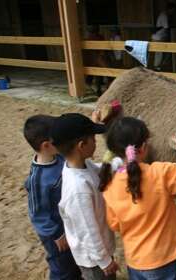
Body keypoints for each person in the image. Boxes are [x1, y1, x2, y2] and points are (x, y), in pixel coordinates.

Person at [99, 117, 176, 280]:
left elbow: (114, 224)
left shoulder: (109, 183)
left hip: (134, 260)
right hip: (162, 260)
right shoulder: (159, 173)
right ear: (142, 148)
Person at [51, 113, 118, 280]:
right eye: (94, 139)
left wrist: (121, 162)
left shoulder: (82, 165)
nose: (96, 142)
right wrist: (104, 261)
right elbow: (88, 231)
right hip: (94, 260)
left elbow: (101, 171)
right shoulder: (78, 189)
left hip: (100, 250)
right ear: (82, 145)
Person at [23, 115, 82, 280]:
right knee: (62, 267)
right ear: (47, 145)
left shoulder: (59, 157)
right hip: (56, 233)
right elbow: (38, 214)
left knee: (75, 261)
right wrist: (56, 234)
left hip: (69, 222)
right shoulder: (38, 179)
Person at [151, 2, 176, 71]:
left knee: (160, 53)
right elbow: (166, 28)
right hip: (158, 37)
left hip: (159, 37)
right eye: (172, 10)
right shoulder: (164, 16)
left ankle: (158, 66)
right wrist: (168, 37)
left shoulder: (164, 14)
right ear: (169, 9)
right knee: (159, 53)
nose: (172, 12)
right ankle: (156, 67)